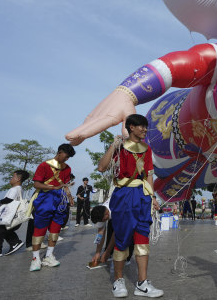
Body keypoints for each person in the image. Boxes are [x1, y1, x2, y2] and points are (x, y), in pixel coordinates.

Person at [97, 113, 163, 298]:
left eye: (145, 126)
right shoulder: (120, 147)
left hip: (142, 196)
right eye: (141, 126)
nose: (144, 129)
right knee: (122, 239)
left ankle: (142, 283)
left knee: (142, 239)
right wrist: (113, 145)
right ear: (131, 127)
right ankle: (118, 281)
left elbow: (149, 174)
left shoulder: (146, 149)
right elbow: (102, 167)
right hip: (123, 195)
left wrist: (152, 196)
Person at [28, 143, 75, 272]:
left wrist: (70, 197)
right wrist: (53, 187)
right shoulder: (44, 165)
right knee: (40, 228)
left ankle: (49, 256)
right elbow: (36, 184)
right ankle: (35, 258)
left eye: (69, 158)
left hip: (60, 200)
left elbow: (65, 185)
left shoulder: (67, 168)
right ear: (59, 152)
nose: (66, 159)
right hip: (45, 199)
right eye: (66, 156)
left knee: (55, 228)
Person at [0, 170, 29, 258]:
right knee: (4, 231)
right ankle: (15, 242)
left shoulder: (14, 189)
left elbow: (8, 200)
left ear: (18, 179)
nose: (10, 179)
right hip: (13, 216)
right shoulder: (20, 189)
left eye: (12, 177)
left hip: (9, 216)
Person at [90, 200, 134, 267]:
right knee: (110, 227)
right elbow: (100, 234)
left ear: (107, 214)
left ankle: (127, 258)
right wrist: (97, 253)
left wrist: (107, 252)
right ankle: (109, 253)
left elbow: (116, 233)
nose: (103, 221)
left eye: (104, 220)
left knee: (127, 234)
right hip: (113, 212)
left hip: (129, 211)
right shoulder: (101, 211)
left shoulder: (116, 212)